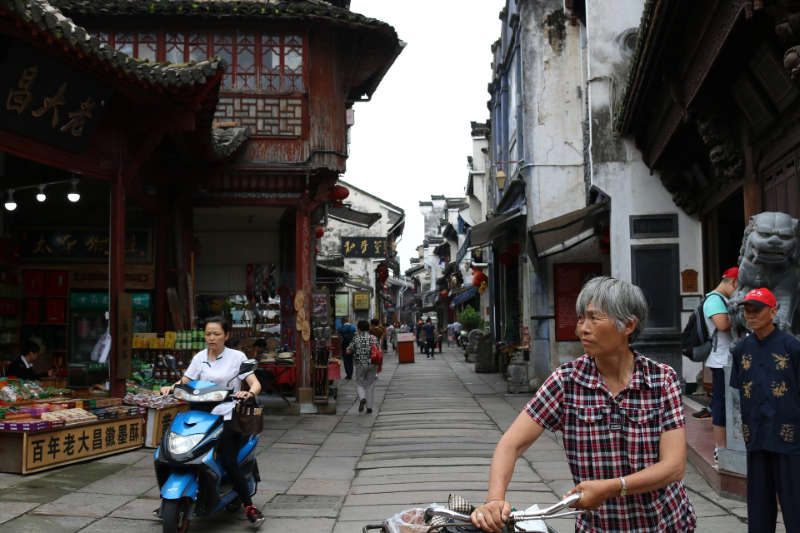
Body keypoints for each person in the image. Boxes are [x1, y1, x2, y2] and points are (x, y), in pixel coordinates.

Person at [470, 276, 696, 533]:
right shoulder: (567, 381)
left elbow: (674, 466)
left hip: (664, 525)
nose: (582, 329)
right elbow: (511, 444)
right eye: (581, 319)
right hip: (597, 528)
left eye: (594, 318)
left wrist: (612, 487)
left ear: (628, 325)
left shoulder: (661, 379)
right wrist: (494, 500)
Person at [160, 316, 264, 526]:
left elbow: (254, 383)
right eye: (208, 334)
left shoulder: (237, 357)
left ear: (226, 335)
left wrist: (248, 393)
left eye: (216, 334)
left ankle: (249, 505)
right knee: (174, 451)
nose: (212, 338)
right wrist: (171, 387)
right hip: (201, 414)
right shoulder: (200, 357)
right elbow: (186, 380)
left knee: (227, 458)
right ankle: (174, 498)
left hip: (228, 414)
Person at [730, 288, 800, 533]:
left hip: (790, 438)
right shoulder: (740, 350)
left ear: (773, 310)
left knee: (795, 504)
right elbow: (738, 391)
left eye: (757, 310)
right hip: (757, 436)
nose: (751, 315)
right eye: (747, 310)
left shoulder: (792, 348)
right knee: (759, 506)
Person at [697, 266, 738, 467]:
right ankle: (720, 448)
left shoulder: (725, 299)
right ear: (733, 282)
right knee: (721, 405)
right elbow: (722, 324)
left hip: (729, 359)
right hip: (721, 360)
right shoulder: (714, 300)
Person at [347, 320, 379, 414]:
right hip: (372, 364)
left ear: (359, 328)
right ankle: (369, 407)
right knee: (370, 384)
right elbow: (378, 350)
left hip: (360, 364)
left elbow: (348, 351)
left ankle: (362, 398)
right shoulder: (373, 338)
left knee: (359, 383)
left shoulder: (356, 338)